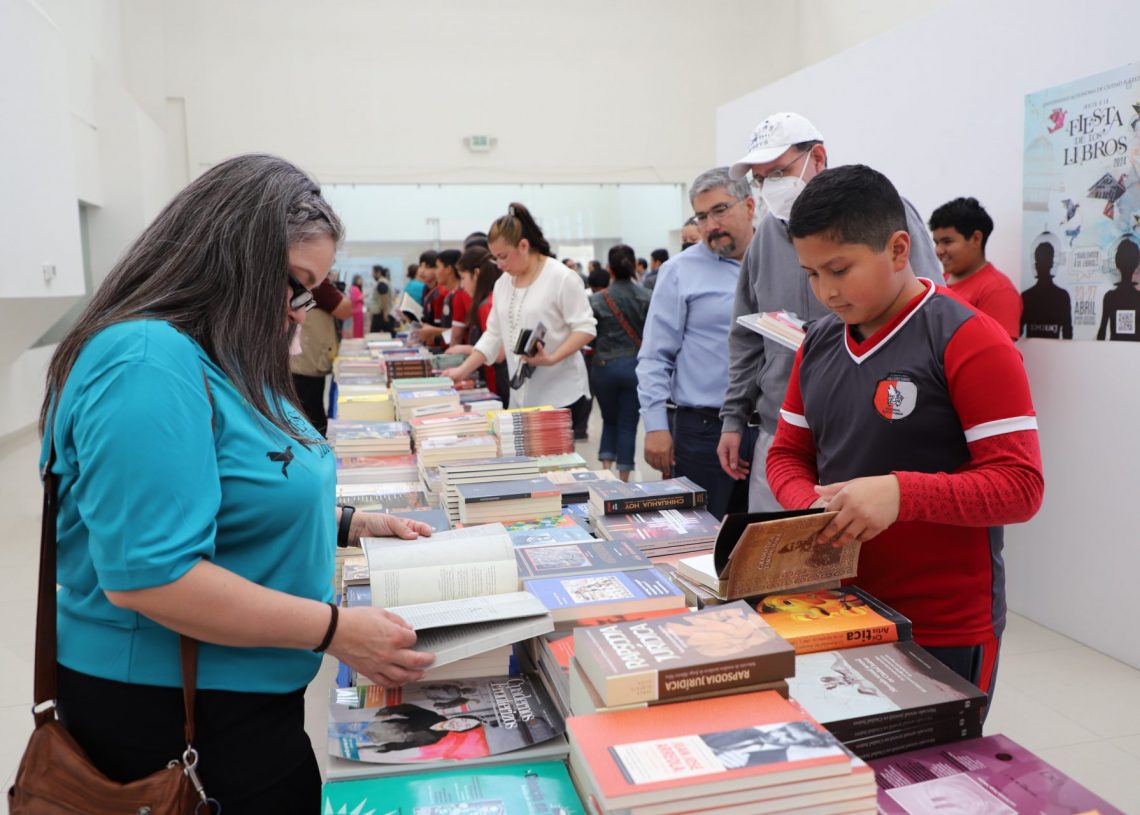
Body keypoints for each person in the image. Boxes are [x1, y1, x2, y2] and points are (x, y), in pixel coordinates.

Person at [37, 154, 436, 813]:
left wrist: (347, 522)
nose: (301, 312)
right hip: (172, 717)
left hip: (242, 701)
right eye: (296, 286)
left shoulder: (220, 355)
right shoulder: (146, 360)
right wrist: (335, 629)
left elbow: (232, 483)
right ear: (235, 256)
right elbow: (151, 575)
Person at [766, 164, 1044, 703]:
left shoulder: (969, 339)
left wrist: (900, 493)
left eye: (839, 269)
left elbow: (1021, 486)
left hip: (942, 623)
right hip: (835, 608)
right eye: (811, 274)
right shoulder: (817, 343)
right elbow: (786, 455)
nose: (825, 292)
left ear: (897, 250)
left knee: (936, 759)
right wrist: (811, 506)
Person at [718, 112, 942, 511]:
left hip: (870, 428)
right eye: (761, 179)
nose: (771, 186)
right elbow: (746, 338)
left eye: (779, 172)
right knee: (779, 545)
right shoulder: (764, 239)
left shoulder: (879, 213)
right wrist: (734, 417)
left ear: (817, 158)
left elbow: (926, 309)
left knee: (860, 542)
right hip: (781, 431)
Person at [637, 167, 756, 519]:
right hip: (704, 431)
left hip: (771, 430)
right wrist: (656, 425)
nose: (710, 225)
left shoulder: (781, 260)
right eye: (702, 216)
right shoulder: (679, 272)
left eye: (720, 211)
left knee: (763, 537)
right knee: (700, 535)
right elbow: (655, 355)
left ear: (750, 206)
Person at [442, 203, 596, 416]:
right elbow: (493, 335)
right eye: (495, 257)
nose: (499, 264)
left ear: (523, 246)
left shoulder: (561, 277)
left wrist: (552, 358)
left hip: (561, 394)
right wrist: (461, 371)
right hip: (521, 394)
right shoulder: (503, 284)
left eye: (503, 256)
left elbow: (585, 328)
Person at [589, 244, 651, 480]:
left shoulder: (596, 300)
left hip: (604, 367)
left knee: (609, 419)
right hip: (635, 367)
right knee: (628, 423)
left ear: (610, 269)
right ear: (634, 266)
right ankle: (623, 479)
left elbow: (589, 336)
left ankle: (606, 473)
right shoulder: (647, 297)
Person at [928, 197, 1022, 341]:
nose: (939, 250)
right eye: (936, 243)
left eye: (947, 242)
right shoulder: (937, 282)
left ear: (976, 239)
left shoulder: (997, 291)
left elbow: (997, 351)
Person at [446, 246, 509, 405]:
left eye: (463, 278)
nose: (462, 285)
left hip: (499, 385)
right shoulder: (489, 301)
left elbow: (499, 353)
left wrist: (464, 349)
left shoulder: (487, 305)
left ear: (476, 274)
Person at [290, 276, 351, 435]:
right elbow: (345, 309)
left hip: (299, 358)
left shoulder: (296, 275)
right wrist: (338, 292)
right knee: (312, 415)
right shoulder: (316, 279)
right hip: (308, 360)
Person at [413, 249, 471, 347]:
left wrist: (433, 331)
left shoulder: (458, 294)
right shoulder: (447, 294)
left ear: (448, 269)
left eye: (436, 267)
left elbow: (459, 334)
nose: (435, 272)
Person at [1020, 238, 1073, 339]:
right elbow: (1068, 334)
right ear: (1052, 263)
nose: (1041, 265)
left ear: (1036, 265)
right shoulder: (1062, 296)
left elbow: (1068, 333)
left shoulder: (1026, 296)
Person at [1096, 238, 1140, 341]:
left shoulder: (1110, 297)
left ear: (1117, 263)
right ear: (1136, 264)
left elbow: (1101, 334)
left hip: (1115, 350)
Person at [368, 264, 394, 334]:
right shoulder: (385, 281)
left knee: (374, 334)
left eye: (373, 273)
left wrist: (385, 312)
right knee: (388, 334)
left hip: (381, 313)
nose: (372, 275)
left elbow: (384, 297)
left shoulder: (381, 283)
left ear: (378, 272)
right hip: (383, 312)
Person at [347, 274, 366, 339]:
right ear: (356, 280)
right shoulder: (354, 288)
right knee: (357, 326)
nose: (361, 281)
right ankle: (357, 337)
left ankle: (358, 337)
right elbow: (354, 299)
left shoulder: (356, 288)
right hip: (356, 310)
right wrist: (362, 297)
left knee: (359, 325)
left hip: (359, 310)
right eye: (360, 279)